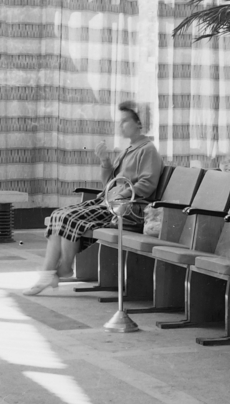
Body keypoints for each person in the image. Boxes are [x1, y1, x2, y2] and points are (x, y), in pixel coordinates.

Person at [22, 101, 163, 295]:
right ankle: (51, 272)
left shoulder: (148, 150)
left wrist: (118, 196)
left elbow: (147, 185)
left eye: (124, 121)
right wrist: (105, 162)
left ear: (139, 123)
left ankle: (62, 269)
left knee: (70, 218)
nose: (120, 126)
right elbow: (109, 183)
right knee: (58, 214)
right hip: (111, 202)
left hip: (126, 209)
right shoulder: (129, 149)